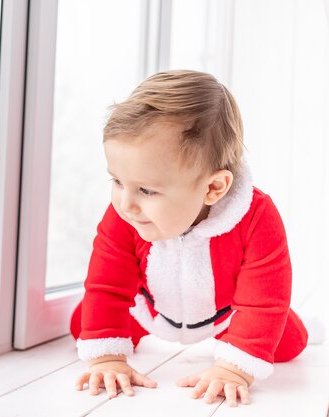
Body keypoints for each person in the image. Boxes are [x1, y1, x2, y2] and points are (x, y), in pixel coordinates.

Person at [70, 70, 308, 407]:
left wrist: (234, 369)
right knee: (84, 324)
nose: (126, 203)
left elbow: (263, 299)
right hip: (150, 308)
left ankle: (250, 335)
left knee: (286, 340)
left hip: (226, 313)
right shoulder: (127, 214)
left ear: (213, 188)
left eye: (147, 190)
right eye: (117, 181)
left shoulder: (255, 217)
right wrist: (107, 356)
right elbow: (107, 285)